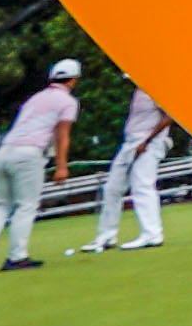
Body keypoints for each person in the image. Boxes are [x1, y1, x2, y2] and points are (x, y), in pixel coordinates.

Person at [0, 59, 78, 274]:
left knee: (2, 206)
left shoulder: (35, 98)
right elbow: (62, 136)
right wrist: (61, 166)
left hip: (3, 153)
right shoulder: (67, 101)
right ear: (73, 80)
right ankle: (17, 257)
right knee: (26, 206)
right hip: (28, 154)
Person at [74, 82, 173, 255]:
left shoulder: (157, 88)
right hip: (130, 143)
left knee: (142, 185)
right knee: (112, 188)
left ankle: (152, 234)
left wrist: (146, 141)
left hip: (150, 144)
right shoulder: (138, 91)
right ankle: (107, 236)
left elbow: (169, 117)